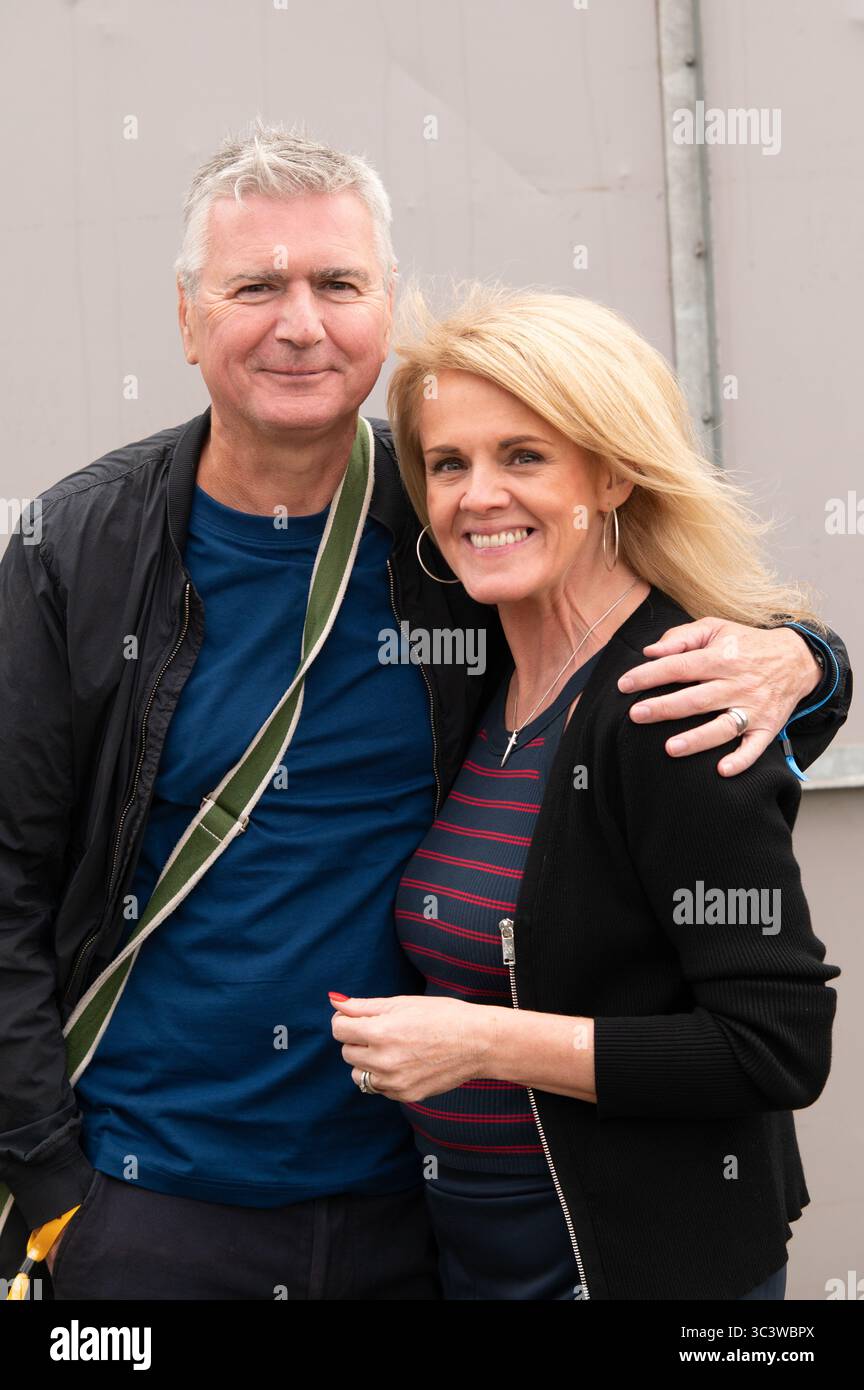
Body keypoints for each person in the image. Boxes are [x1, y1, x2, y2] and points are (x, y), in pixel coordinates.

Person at [0, 123, 850, 1301]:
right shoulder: (78, 552)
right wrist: (53, 1190)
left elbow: (663, 682)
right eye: (256, 285)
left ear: (383, 309)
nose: (301, 322)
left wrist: (806, 660)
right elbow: (7, 879)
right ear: (188, 317)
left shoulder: (453, 516)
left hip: (421, 1211)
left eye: (338, 284)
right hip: (156, 1208)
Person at [329, 282, 846, 1300]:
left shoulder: (668, 701)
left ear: (610, 475)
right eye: (448, 462)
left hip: (636, 1269)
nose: (479, 494)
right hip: (480, 1258)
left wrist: (481, 1039)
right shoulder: (476, 674)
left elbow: (775, 1046)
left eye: (524, 456)